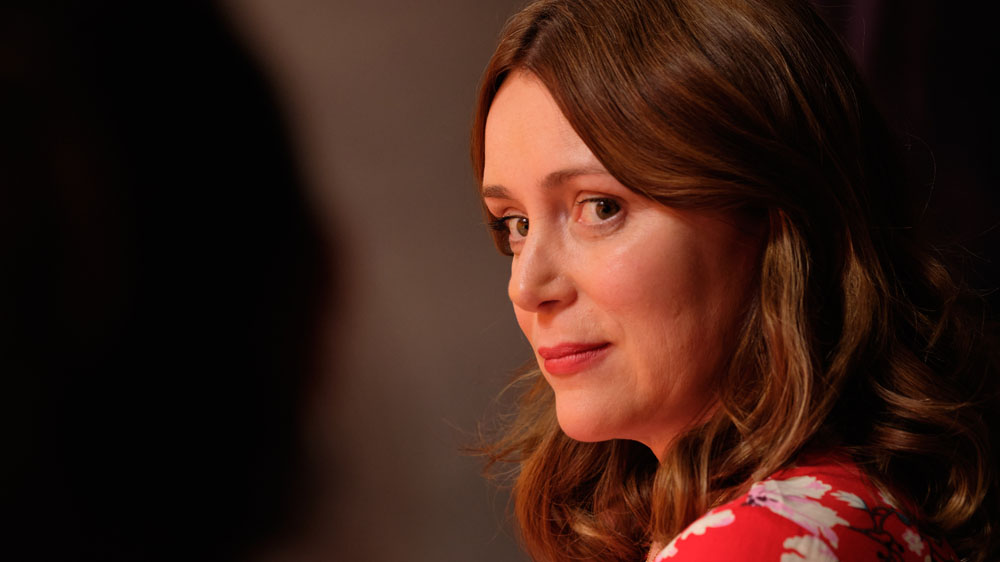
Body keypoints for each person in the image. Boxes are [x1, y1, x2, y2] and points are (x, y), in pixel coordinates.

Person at [469, 1, 999, 561]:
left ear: (774, 218)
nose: (526, 287)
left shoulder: (761, 542)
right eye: (516, 224)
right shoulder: (832, 510)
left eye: (601, 207)